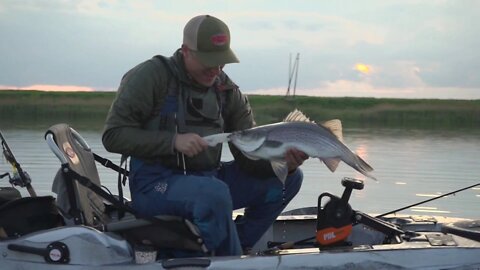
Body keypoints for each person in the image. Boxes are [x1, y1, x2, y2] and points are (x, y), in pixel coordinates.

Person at [102, 14, 307, 256]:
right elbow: (113, 136)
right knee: (214, 194)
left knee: (288, 180)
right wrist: (173, 142)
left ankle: (236, 246)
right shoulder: (150, 76)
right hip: (153, 186)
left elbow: (248, 159)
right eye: (209, 61)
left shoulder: (227, 91)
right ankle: (227, 259)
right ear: (185, 51)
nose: (216, 70)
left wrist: (285, 163)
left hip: (209, 179)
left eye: (221, 62)